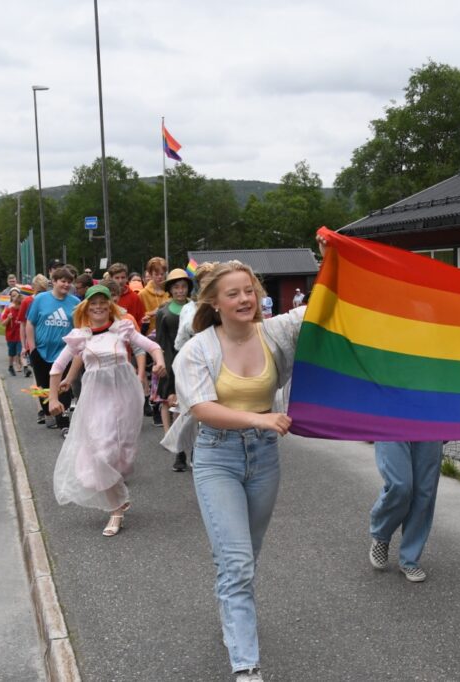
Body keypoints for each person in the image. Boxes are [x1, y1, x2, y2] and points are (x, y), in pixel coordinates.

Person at [167, 255, 319, 681]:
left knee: (244, 557)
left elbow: (327, 307)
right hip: (218, 456)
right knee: (235, 562)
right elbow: (201, 408)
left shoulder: (276, 331)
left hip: (265, 456)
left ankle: (233, 622)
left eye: (249, 290)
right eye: (233, 293)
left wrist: (339, 255)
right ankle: (246, 667)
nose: (244, 298)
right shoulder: (197, 349)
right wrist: (261, 418)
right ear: (213, 302)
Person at [47, 284, 166, 536]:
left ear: (109, 306)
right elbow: (56, 367)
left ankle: (116, 495)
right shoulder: (81, 336)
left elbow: (152, 346)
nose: (99, 307)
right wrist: (53, 397)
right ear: (86, 307)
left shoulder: (121, 329)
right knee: (100, 454)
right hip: (95, 400)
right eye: (93, 303)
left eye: (103, 302)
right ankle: (116, 508)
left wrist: (159, 363)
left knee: (119, 452)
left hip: (125, 396)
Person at [368, 441, 444, 583]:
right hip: (391, 421)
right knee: (400, 486)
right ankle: (381, 534)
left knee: (424, 491)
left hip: (431, 422)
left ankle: (410, 559)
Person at [25, 268, 80, 428]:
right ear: (54, 281)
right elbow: (30, 323)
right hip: (40, 351)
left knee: (62, 386)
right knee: (43, 387)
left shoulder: (75, 302)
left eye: (69, 282)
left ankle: (63, 421)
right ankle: (48, 412)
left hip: (64, 352)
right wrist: (32, 347)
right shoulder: (41, 299)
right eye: (63, 281)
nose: (66, 285)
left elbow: (77, 328)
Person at [154, 267, 193, 470]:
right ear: (171, 289)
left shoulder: (195, 308)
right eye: (176, 287)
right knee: (176, 407)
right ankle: (179, 454)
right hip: (171, 362)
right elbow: (160, 343)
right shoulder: (163, 312)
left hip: (194, 362)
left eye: (183, 287)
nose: (180, 291)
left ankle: (195, 451)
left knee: (195, 408)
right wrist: (164, 369)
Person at [18, 275, 49, 380]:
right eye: (39, 291)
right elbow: (23, 324)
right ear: (33, 288)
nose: (41, 294)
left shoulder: (50, 300)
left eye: (44, 290)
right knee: (40, 376)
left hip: (48, 342)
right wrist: (23, 346)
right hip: (33, 344)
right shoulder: (27, 302)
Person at [138, 256, 169, 335]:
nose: (160, 277)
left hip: (168, 334)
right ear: (150, 274)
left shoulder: (170, 292)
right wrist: (151, 313)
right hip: (149, 336)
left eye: (162, 274)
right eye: (156, 274)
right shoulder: (142, 294)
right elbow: (138, 316)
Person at [1, 287, 24, 376]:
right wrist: (8, 318)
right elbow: (3, 323)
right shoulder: (8, 309)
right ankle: (10, 366)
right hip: (10, 336)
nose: (15, 297)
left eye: (16, 295)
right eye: (13, 296)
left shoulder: (22, 310)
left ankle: (21, 365)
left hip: (20, 336)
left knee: (20, 352)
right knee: (12, 353)